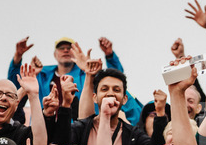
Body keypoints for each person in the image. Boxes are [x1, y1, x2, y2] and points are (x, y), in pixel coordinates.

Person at [8, 36, 142, 125]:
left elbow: (115, 80)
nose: (66, 50)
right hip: (44, 127)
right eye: (61, 48)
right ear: (55, 54)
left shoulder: (86, 75)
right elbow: (14, 87)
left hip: (77, 128)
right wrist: (17, 57)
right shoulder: (41, 74)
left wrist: (109, 55)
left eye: (69, 48)